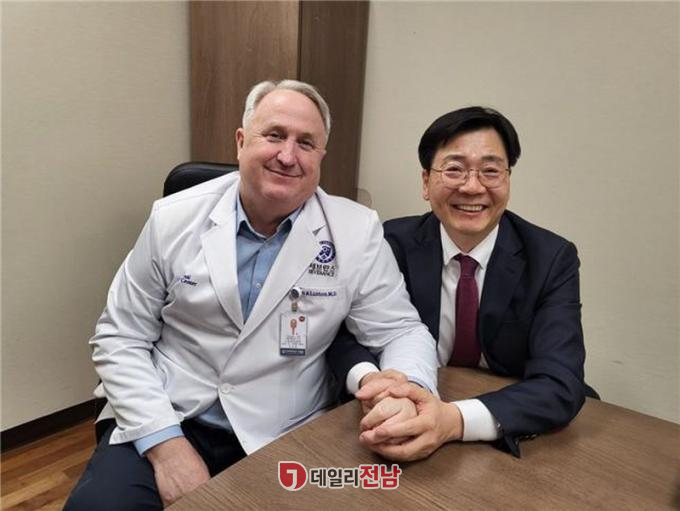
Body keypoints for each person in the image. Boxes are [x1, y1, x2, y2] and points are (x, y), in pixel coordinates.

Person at [65, 79, 437, 510]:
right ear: (241, 142)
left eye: (306, 143)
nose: (287, 155)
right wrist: (166, 446)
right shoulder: (174, 218)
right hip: (169, 414)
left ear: (321, 156)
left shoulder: (356, 231)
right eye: (274, 135)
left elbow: (400, 330)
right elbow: (120, 336)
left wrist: (406, 389)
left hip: (284, 432)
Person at [328, 106, 595, 460]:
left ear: (508, 179)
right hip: (400, 407)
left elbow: (560, 380)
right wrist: (370, 380)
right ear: (426, 182)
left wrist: (453, 421)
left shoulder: (550, 258)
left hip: (503, 424)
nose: (472, 187)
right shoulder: (390, 242)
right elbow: (342, 333)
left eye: (490, 171)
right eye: (454, 169)